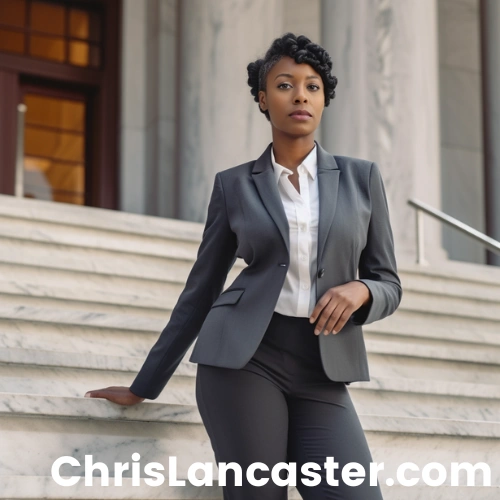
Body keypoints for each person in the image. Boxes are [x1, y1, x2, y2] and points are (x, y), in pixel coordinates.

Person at [85, 32, 402, 499]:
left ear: (324, 100)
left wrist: (363, 291)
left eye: (313, 87)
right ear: (262, 98)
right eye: (285, 84)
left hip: (323, 368)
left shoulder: (361, 179)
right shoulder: (234, 185)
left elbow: (389, 282)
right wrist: (144, 385)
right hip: (244, 360)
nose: (300, 95)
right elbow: (202, 288)